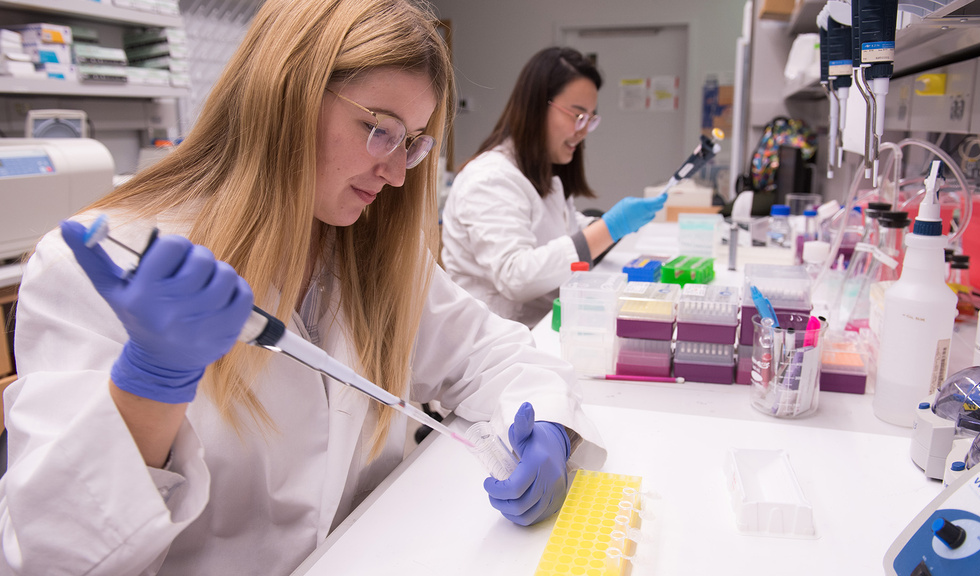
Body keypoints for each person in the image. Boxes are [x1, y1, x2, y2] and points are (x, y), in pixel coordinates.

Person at [0, 1, 606, 574]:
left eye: (413, 143)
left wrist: (548, 426)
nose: (397, 174)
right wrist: (149, 386)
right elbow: (51, 558)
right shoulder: (108, 263)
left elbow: (491, 353)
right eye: (379, 129)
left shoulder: (369, 250)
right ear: (286, 97)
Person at [441, 47, 668, 328]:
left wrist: (609, 229)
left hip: (540, 330)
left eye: (590, 118)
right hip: (493, 344)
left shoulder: (542, 175)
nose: (583, 130)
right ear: (537, 107)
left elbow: (559, 232)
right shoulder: (489, 178)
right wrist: (608, 228)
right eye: (577, 115)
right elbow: (516, 276)